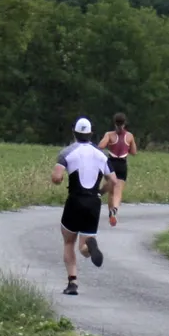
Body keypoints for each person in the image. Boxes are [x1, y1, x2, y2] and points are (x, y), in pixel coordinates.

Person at [51, 116, 109, 296]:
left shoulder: (67, 152)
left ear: (74, 133)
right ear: (91, 134)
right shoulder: (101, 155)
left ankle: (72, 283)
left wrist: (59, 179)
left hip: (75, 200)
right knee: (83, 247)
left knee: (69, 241)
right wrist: (100, 192)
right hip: (94, 202)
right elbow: (113, 180)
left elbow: (57, 177)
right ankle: (90, 245)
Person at [97, 114, 136, 227]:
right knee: (118, 190)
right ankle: (114, 210)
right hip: (122, 164)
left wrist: (109, 143)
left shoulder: (109, 135)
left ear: (114, 123)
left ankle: (101, 194)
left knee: (111, 191)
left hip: (111, 163)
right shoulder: (129, 136)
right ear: (124, 123)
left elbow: (100, 146)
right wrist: (126, 147)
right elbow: (134, 152)